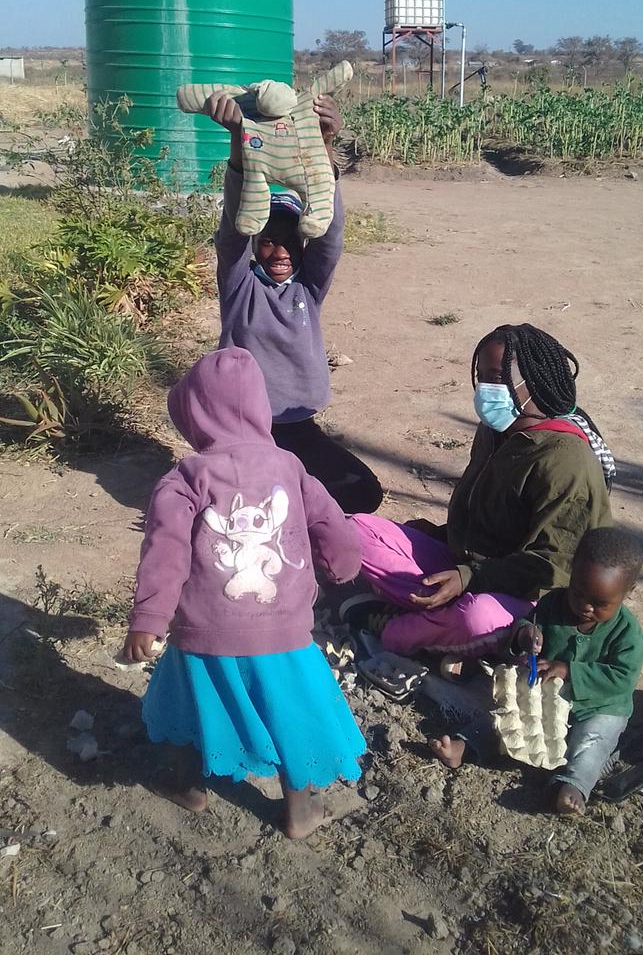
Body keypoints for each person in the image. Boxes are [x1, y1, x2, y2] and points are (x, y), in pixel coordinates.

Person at [122, 346, 365, 840]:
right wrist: (345, 567)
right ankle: (299, 812)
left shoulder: (185, 476)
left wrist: (148, 618)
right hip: (283, 632)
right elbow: (330, 521)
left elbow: (165, 551)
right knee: (290, 713)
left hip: (202, 630)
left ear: (193, 414)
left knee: (192, 704)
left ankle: (190, 788)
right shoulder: (290, 467)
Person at [342, 323, 615, 665]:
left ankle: (401, 628)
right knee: (356, 530)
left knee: (476, 618)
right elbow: (484, 514)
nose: (487, 388)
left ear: (534, 380)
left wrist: (471, 578)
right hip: (468, 565)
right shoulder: (495, 431)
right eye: (483, 376)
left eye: (498, 378)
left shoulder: (565, 459)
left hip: (527, 592)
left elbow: (555, 569)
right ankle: (440, 619)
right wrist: (440, 538)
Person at [204, 90, 383, 515]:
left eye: (289, 242)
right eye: (268, 242)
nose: (280, 251)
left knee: (365, 494)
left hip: (296, 425)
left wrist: (323, 148)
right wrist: (238, 143)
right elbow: (233, 229)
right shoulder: (240, 286)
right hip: (245, 431)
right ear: (255, 247)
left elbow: (331, 237)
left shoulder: (307, 289)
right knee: (245, 505)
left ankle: (286, 489)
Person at [431, 528, 643, 815]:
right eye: (578, 593)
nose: (585, 606)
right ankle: (468, 746)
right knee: (507, 716)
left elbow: (621, 680)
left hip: (599, 705)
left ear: (626, 593)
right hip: (545, 693)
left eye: (600, 603)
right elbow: (525, 626)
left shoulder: (627, 633)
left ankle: (573, 785)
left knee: (593, 742)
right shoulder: (552, 604)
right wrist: (525, 635)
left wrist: (569, 670)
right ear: (571, 575)